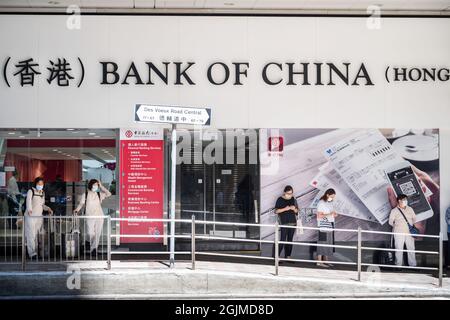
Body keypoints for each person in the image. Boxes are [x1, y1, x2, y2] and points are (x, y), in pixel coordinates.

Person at [74, 179, 111, 255]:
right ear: (90, 185)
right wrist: (76, 210)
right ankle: (88, 240)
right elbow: (81, 204)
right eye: (94, 185)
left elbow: (109, 194)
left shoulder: (99, 194)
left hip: (99, 216)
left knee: (98, 233)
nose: (95, 186)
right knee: (90, 233)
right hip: (89, 216)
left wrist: (101, 186)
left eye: (96, 185)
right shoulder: (86, 194)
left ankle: (93, 249)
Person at [25, 177, 53, 259]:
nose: (40, 185)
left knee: (36, 235)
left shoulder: (42, 193)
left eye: (42, 184)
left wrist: (48, 208)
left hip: (38, 217)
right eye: (39, 184)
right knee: (31, 235)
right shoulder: (31, 191)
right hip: (30, 216)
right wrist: (30, 210)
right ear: (35, 184)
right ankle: (32, 253)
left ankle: (36, 252)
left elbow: (42, 205)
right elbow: (28, 201)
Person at [388, 194, 417, 267]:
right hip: (398, 232)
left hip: (409, 232)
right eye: (404, 200)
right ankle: (398, 265)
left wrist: (412, 226)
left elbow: (414, 219)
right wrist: (397, 226)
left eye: (406, 200)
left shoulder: (410, 209)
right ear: (399, 201)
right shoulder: (394, 211)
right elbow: (390, 222)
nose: (406, 201)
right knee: (399, 248)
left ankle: (413, 265)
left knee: (411, 248)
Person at [274, 185, 299, 259]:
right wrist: (285, 209)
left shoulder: (293, 199)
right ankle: (277, 256)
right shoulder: (280, 199)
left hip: (293, 222)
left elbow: (297, 211)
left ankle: (288, 256)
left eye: (291, 193)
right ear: (284, 192)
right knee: (282, 239)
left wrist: (294, 209)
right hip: (284, 222)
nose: (290, 195)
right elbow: (276, 211)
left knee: (290, 240)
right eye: (288, 193)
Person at [316, 188, 338, 267]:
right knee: (322, 242)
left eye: (333, 197)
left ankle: (326, 260)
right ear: (327, 195)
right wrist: (330, 214)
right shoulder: (321, 203)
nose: (332, 198)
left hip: (330, 224)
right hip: (323, 225)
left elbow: (331, 213)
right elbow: (319, 215)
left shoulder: (330, 203)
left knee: (328, 243)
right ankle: (319, 261)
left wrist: (334, 214)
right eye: (331, 196)